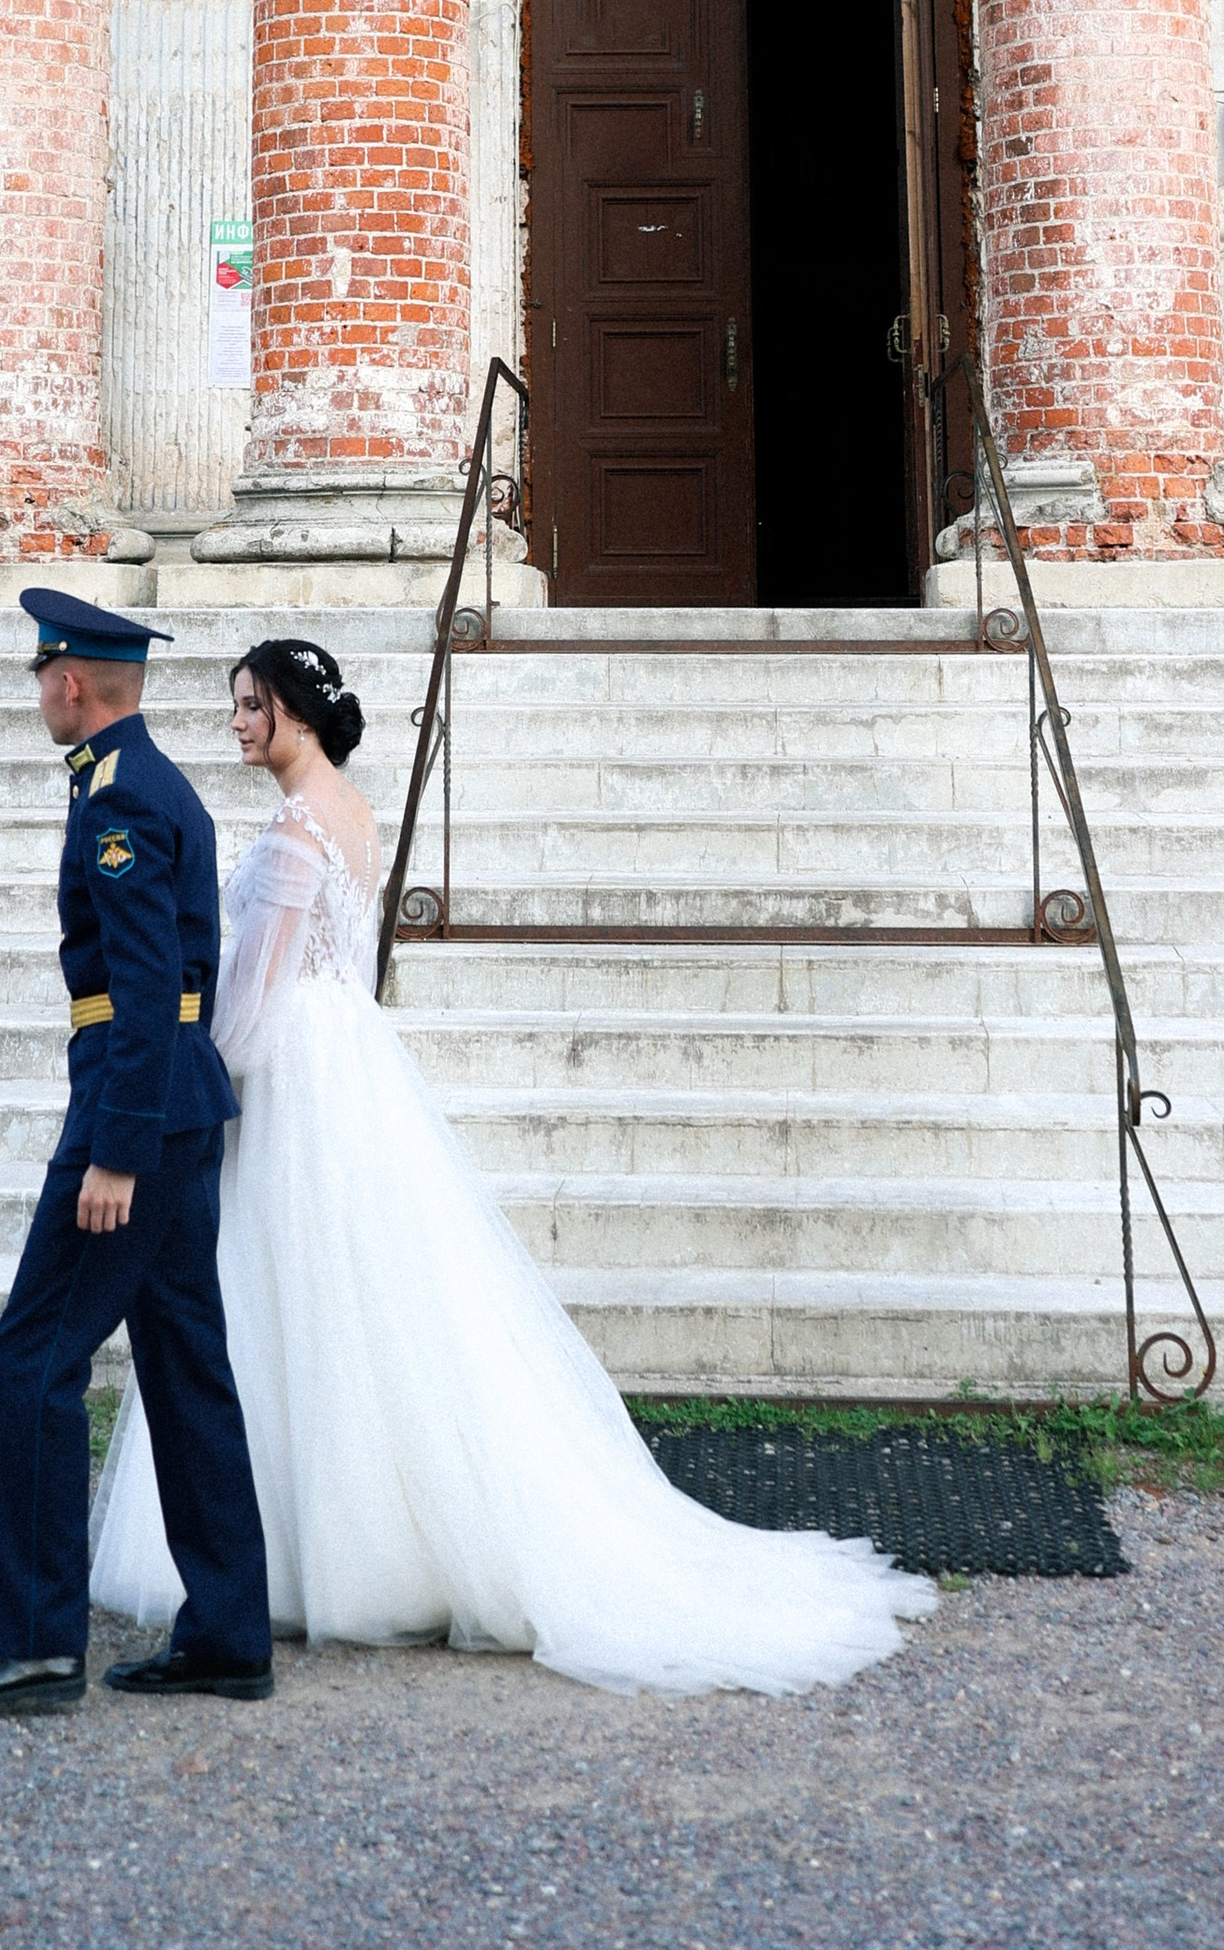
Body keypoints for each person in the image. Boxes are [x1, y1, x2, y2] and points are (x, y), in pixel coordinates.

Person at [89, 635, 935, 1696]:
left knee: (293, 1298)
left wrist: (196, 1080)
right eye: (235, 708)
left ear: (297, 715)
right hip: (350, 1061)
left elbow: (254, 1000)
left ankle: (318, 1553)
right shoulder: (350, 816)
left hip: (295, 1076)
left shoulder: (296, 832)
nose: (238, 723)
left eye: (251, 706)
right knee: (358, 1300)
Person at [0, 590, 273, 1715]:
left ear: (70, 682)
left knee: (33, 1361)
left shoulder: (121, 799)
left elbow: (151, 988)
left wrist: (113, 1151)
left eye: (39, 675)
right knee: (183, 1366)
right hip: (172, 1111)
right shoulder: (147, 783)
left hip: (137, 1116)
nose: (38, 691)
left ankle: (26, 1644)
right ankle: (226, 1633)